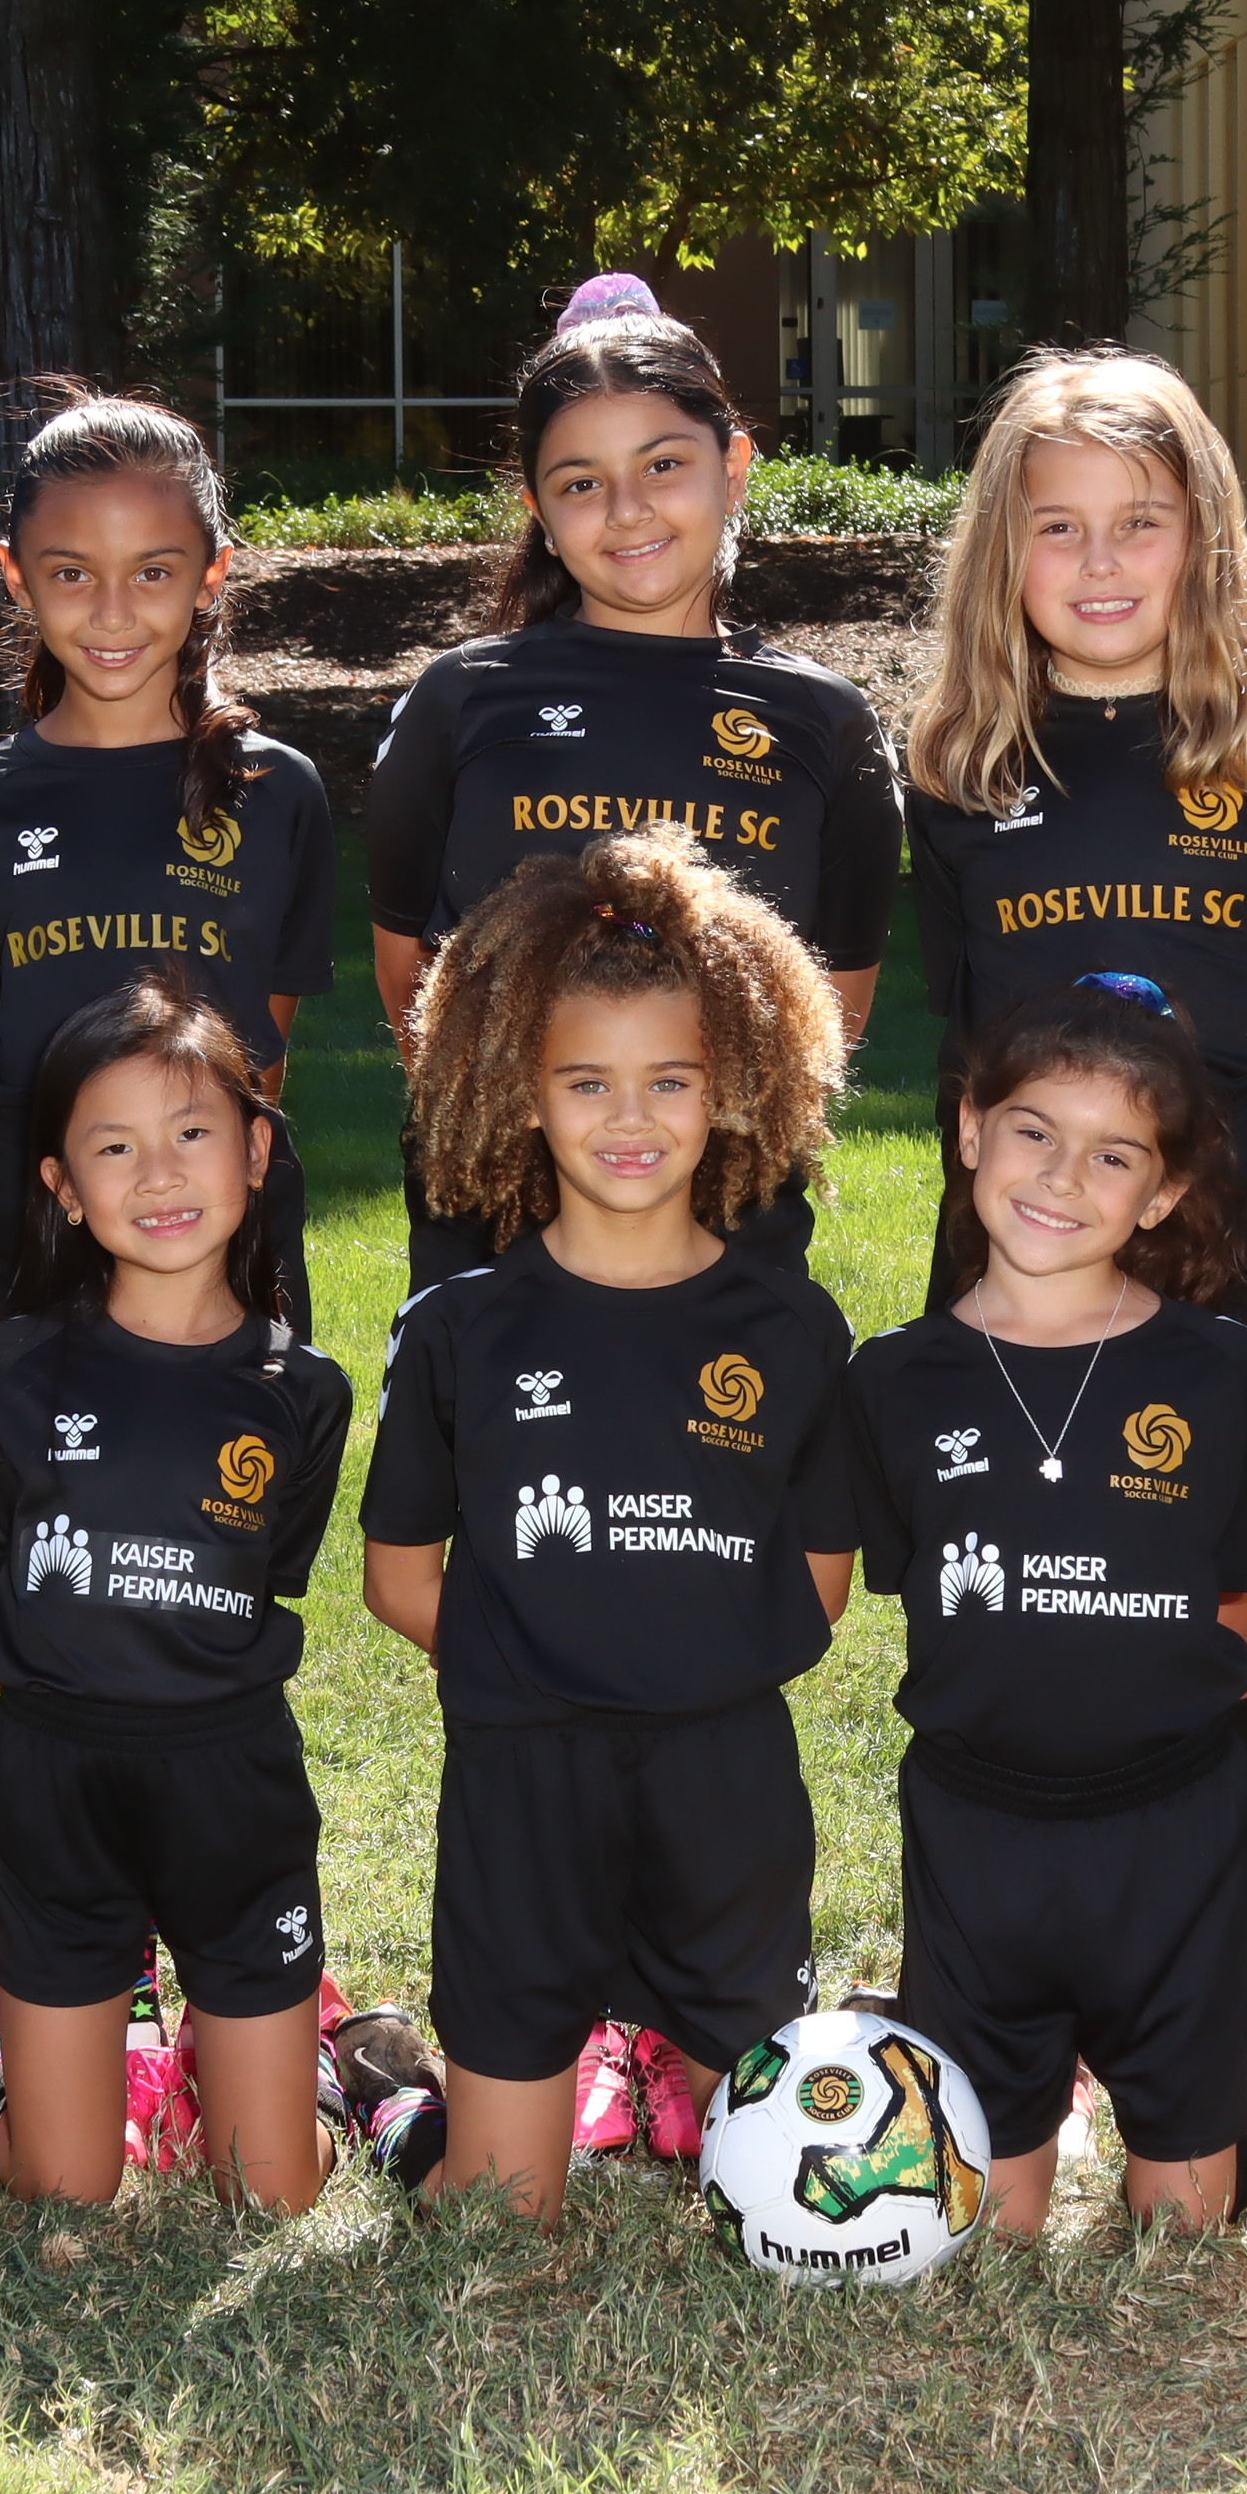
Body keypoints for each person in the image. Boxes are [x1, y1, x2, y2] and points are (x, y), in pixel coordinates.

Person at [357, 825, 860, 2218]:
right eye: (587, 1081)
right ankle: (402, 2099)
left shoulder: (791, 1328)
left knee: (774, 2201)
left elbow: (822, 1576)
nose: (629, 1118)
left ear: (731, 1085)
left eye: (669, 1081)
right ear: (522, 1094)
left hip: (725, 1780)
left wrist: (685, 1664)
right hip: (525, 1780)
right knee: (499, 2212)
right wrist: (540, 1666)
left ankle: (665, 2069)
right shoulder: (462, 1330)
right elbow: (397, 1575)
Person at [847, 976, 1247, 2235]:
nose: (1061, 1175)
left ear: (1160, 1191)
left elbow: (1242, 1600)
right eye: (1034, 1130)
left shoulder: (1220, 1370)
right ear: (969, 1129)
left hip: (1177, 1825)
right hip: (975, 1829)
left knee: (1181, 2225)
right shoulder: (893, 1380)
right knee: (987, 2228)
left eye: (1112, 1154)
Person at [361, 282, 899, 1289]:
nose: (628, 509)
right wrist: (520, 1131)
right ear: (538, 511)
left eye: (663, 464)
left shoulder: (825, 723)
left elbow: (830, 1016)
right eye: (581, 482)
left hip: (733, 1246)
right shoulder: (460, 700)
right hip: (494, 1240)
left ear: (734, 466)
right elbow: (410, 985)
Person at [0, 970, 359, 2211]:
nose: (161, 1174)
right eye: (114, 1146)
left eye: (192, 1133)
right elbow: (7, 1579)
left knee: (268, 2191)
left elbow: (260, 1580)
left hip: (230, 1782)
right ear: (63, 1186)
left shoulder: (304, 1392)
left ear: (256, 1151)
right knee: (63, 2187)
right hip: (56, 1779)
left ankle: (323, 2061)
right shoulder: (13, 1368)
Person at [900, 353, 1247, 1341]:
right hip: (1018, 1258)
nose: (1099, 561)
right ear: (1001, 551)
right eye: (1057, 527)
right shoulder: (957, 770)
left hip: (1240, 1251)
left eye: (1140, 523)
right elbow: (968, 1034)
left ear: (1205, 539)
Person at [0, 397, 340, 1329]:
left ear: (211, 574)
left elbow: (263, 1043)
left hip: (220, 1206)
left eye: (152, 571)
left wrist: (209, 1166)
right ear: (16, 576)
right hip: (41, 1208)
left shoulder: (276, 791)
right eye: (71, 573)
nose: (112, 612)